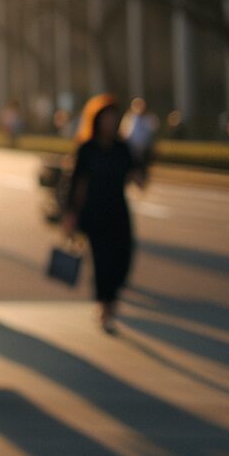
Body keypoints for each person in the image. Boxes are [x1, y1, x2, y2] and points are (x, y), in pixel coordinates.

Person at [63, 93, 143, 333]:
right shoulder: (87, 149)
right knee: (102, 261)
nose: (111, 122)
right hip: (95, 212)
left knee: (123, 257)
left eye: (114, 117)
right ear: (97, 120)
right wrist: (71, 214)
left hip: (118, 210)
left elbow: (138, 179)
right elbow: (77, 183)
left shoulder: (122, 147)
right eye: (107, 117)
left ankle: (111, 298)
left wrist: (146, 159)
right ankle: (105, 307)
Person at [119, 97, 158, 188]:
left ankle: (141, 180)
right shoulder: (129, 118)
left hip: (144, 149)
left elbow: (151, 133)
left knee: (142, 166)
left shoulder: (148, 118)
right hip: (132, 148)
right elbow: (124, 132)